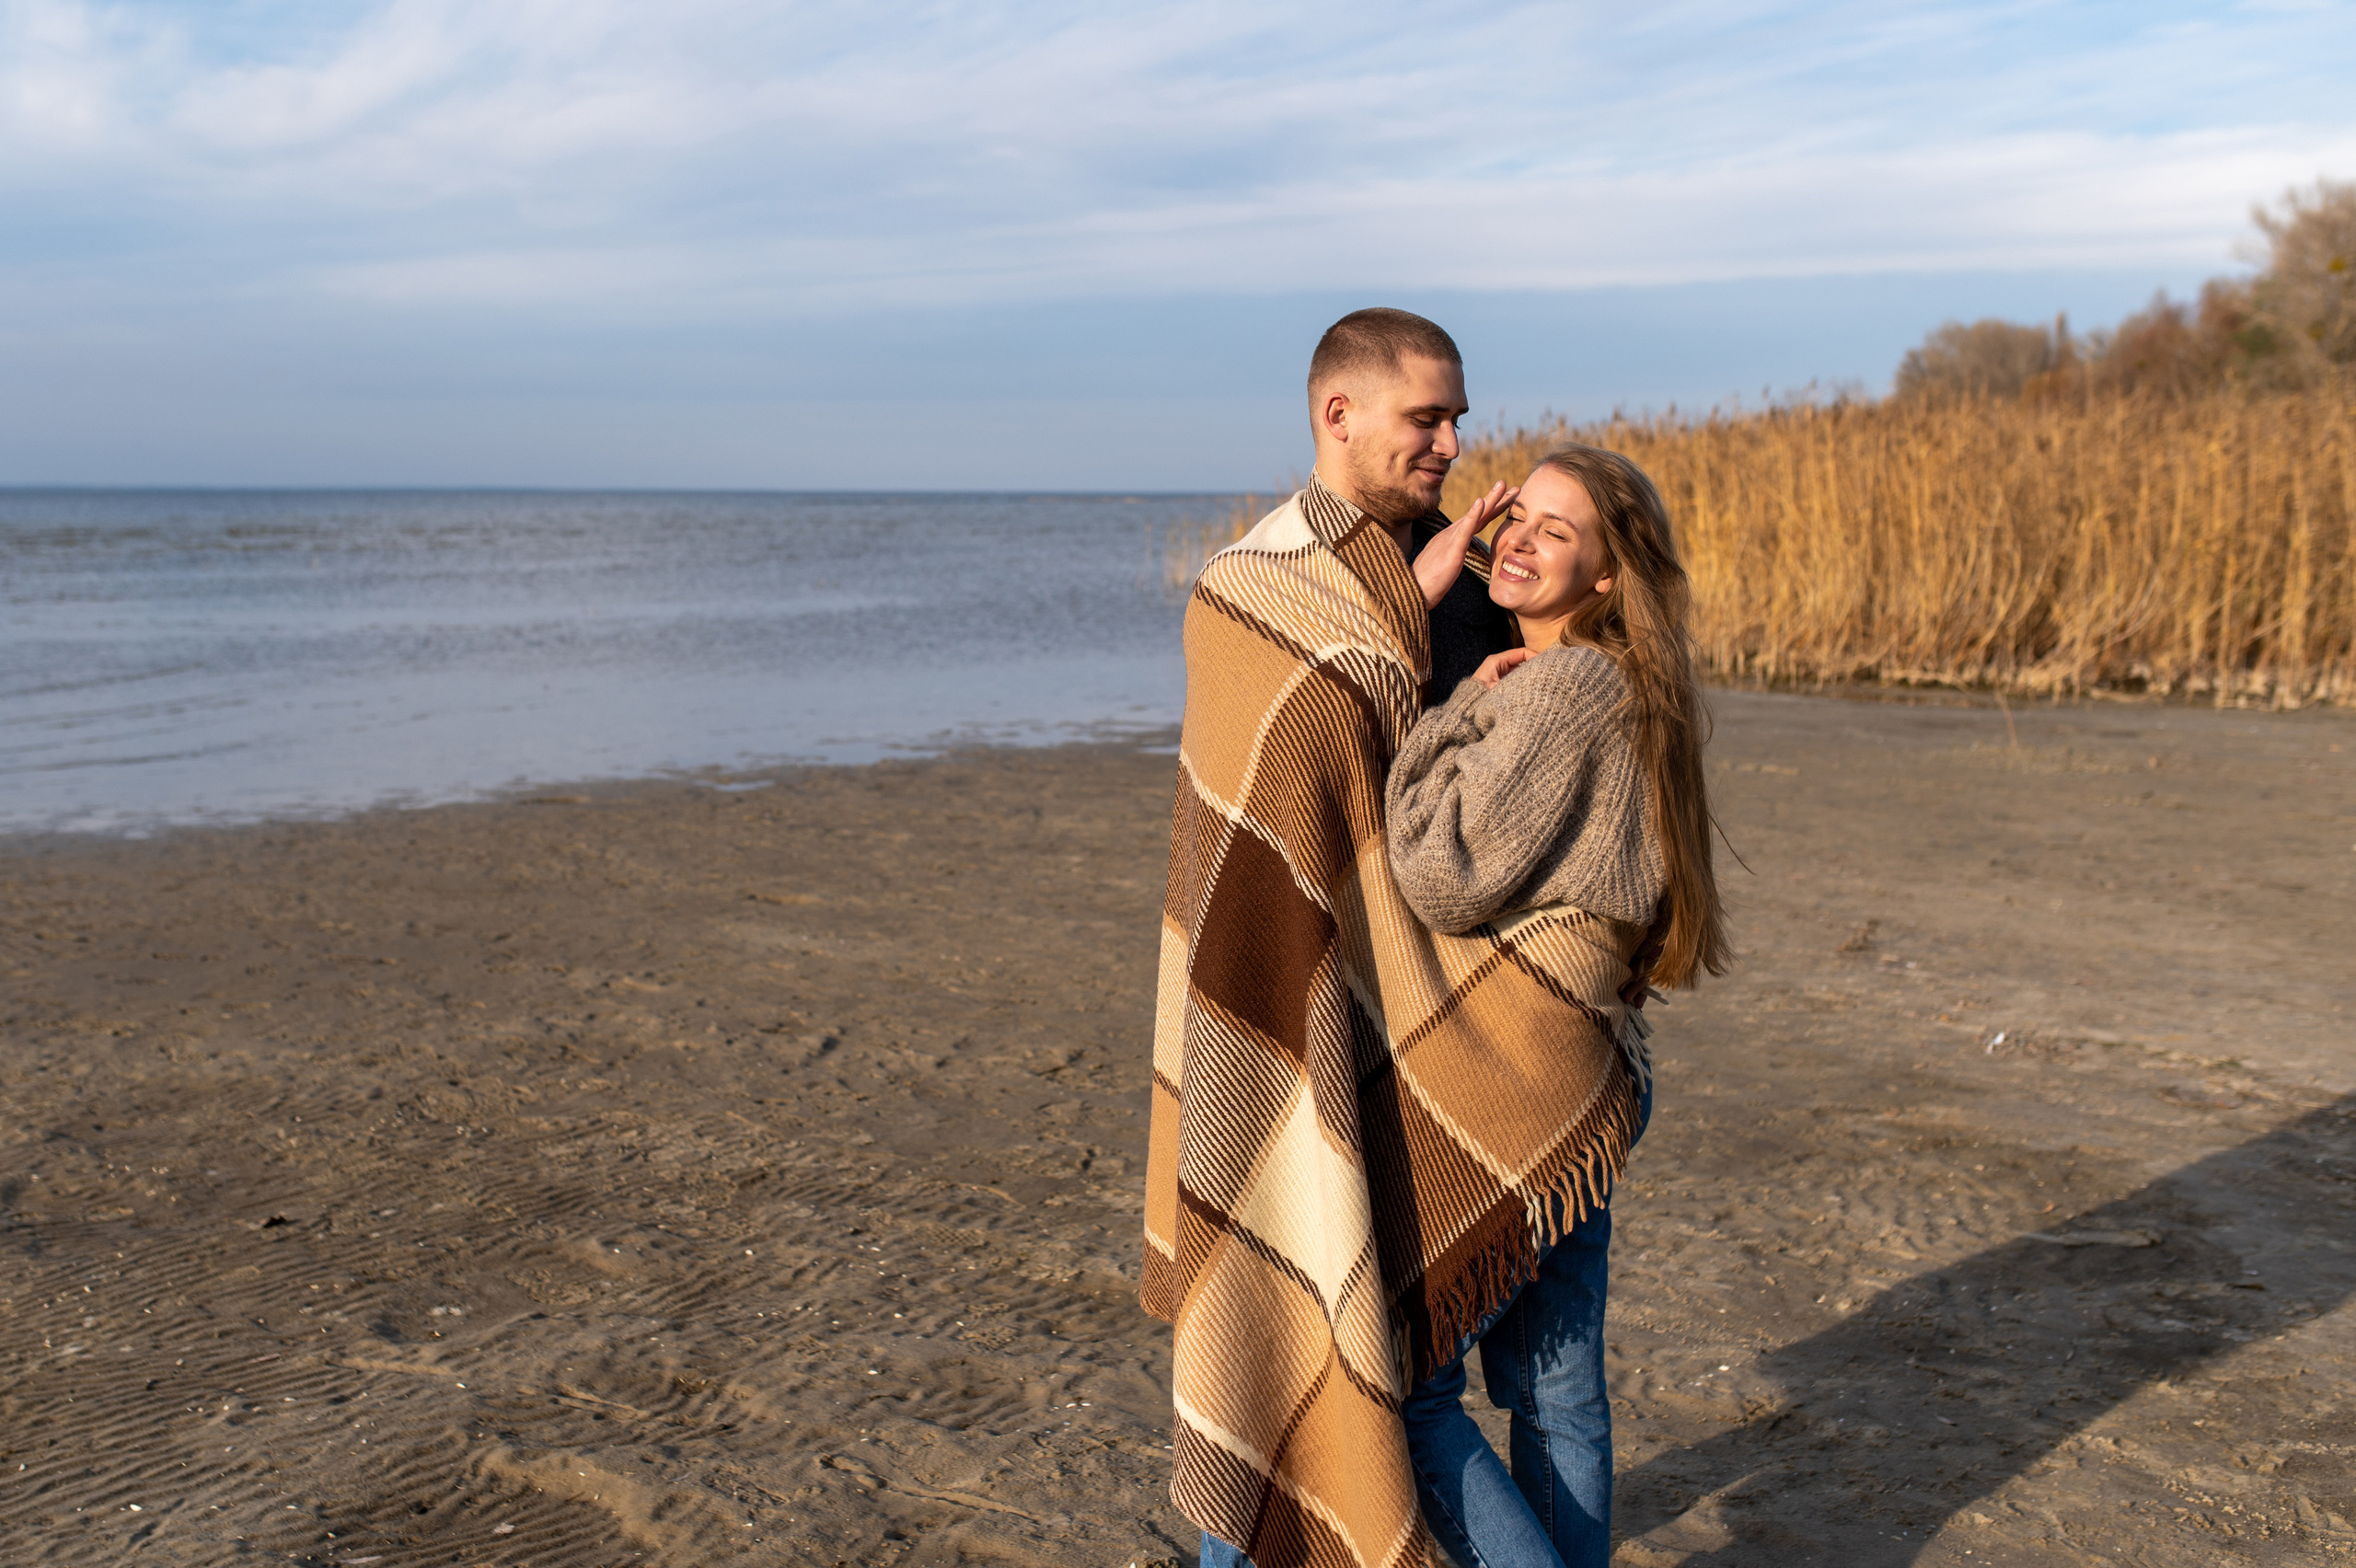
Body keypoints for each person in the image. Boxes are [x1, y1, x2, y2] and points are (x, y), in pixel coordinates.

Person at [1142, 309, 1660, 1568]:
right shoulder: (1249, 582)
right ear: (1340, 416)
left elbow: (1489, 815)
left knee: (1476, 1379)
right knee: (1286, 1313)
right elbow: (1251, 800)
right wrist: (1395, 620)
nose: (1451, 443)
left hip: (1460, 1044)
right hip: (1307, 1003)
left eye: (1455, 418)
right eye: (1429, 419)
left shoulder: (1476, 591)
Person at [1380, 444, 1732, 1567]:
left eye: (1558, 531)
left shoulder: (1565, 686)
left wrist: (1435, 722)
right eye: (1517, 517)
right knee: (1555, 1392)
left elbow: (1441, 868)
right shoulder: (1629, 688)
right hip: (1588, 1080)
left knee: (1409, 1388)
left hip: (1521, 1085)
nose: (1519, 539)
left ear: (1605, 577)